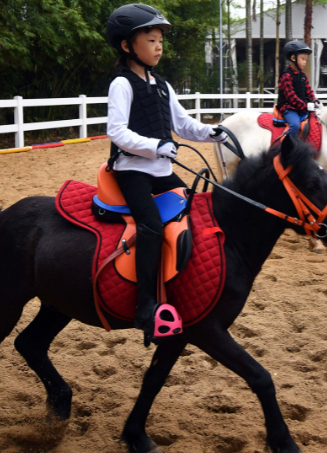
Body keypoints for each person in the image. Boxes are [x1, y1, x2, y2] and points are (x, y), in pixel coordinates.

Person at [105, 4, 228, 342]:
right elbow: (116, 131)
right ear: (128, 46)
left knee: (196, 210)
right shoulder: (122, 84)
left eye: (160, 40)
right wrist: (155, 146)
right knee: (151, 225)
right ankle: (145, 306)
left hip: (161, 171)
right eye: (151, 39)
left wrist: (211, 132)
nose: (159, 46)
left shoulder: (162, 85)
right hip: (132, 170)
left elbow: (182, 124)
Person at [275, 41, 318, 137]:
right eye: (302, 59)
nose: (304, 62)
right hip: (289, 109)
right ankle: (286, 147)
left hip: (301, 108)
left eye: (306, 60)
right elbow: (291, 96)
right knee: (295, 126)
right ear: (293, 58)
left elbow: (309, 91)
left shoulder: (303, 75)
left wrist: (314, 101)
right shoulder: (286, 75)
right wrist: (305, 106)